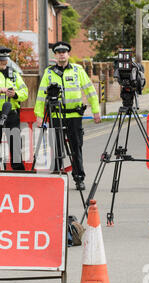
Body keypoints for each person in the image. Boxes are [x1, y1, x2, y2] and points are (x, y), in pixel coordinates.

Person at [34, 41, 101, 190]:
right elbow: (40, 96)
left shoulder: (78, 70)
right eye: (59, 52)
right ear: (55, 55)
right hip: (56, 116)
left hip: (74, 116)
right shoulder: (49, 73)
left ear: (68, 54)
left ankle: (79, 178)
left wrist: (96, 110)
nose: (62, 54)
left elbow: (90, 91)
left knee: (76, 148)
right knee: (56, 147)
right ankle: (57, 177)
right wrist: (39, 115)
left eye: (64, 52)